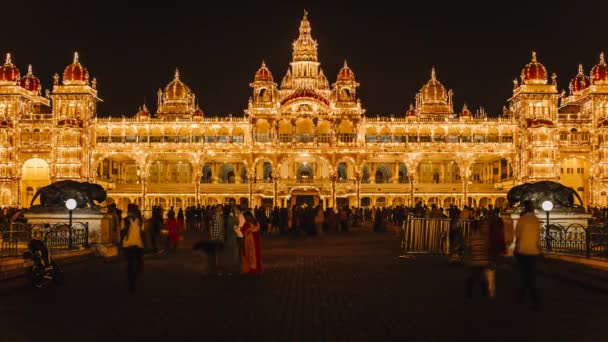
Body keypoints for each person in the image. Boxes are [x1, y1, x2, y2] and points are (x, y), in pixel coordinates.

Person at [514, 200, 542, 308]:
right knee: (530, 274)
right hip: (534, 251)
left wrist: (516, 248)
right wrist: (541, 251)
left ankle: (525, 297)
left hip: (523, 251)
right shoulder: (536, 220)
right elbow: (538, 238)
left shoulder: (522, 219)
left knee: (525, 275)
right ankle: (531, 298)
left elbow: (517, 235)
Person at [464, 218, 491, 299]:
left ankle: (469, 294)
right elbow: (487, 248)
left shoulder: (471, 237)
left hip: (474, 260)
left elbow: (468, 249)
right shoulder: (483, 237)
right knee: (482, 277)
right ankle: (485, 293)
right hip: (482, 260)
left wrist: (467, 259)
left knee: (471, 277)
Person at [121, 204, 144, 293]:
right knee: (130, 265)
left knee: (139, 266)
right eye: (131, 211)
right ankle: (131, 282)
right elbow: (122, 232)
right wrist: (121, 245)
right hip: (128, 245)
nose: (132, 213)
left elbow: (142, 233)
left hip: (138, 244)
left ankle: (134, 277)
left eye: (134, 211)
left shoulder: (140, 220)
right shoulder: (125, 220)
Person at [241, 211, 262, 275]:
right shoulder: (247, 224)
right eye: (245, 217)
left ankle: (254, 268)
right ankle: (251, 268)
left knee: (254, 254)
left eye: (246, 217)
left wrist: (248, 230)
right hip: (249, 241)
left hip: (255, 241)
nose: (246, 218)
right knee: (249, 254)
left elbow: (255, 230)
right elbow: (243, 231)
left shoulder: (255, 223)